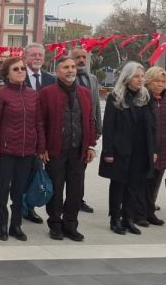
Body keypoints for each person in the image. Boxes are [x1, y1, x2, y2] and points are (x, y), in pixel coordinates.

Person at [36, 56, 97, 241]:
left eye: (72, 67)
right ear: (57, 71)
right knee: (56, 188)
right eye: (66, 67)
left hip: (78, 150)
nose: (70, 70)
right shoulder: (47, 93)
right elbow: (40, 122)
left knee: (75, 190)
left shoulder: (85, 93)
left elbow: (90, 120)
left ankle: (71, 224)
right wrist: (42, 147)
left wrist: (91, 145)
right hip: (55, 150)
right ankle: (55, 224)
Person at [100, 62, 156, 235]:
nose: (140, 79)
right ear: (127, 77)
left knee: (134, 186)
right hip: (120, 150)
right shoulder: (115, 97)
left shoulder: (146, 96)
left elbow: (153, 126)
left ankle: (128, 219)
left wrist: (154, 150)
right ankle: (115, 219)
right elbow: (108, 126)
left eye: (142, 76)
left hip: (141, 150)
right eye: (136, 76)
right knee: (118, 185)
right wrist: (108, 151)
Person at [0, 56, 41, 241]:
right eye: (16, 69)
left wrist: (40, 147)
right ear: (7, 74)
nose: (20, 72)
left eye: (22, 69)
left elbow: (38, 123)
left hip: (27, 151)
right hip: (5, 151)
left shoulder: (33, 95)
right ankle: (2, 224)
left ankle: (16, 225)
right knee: (2, 189)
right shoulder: (0, 94)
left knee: (19, 190)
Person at [20, 42, 55, 224]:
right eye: (33, 55)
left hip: (44, 135)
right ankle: (19, 206)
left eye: (40, 55)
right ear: (25, 57)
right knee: (21, 174)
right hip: (22, 134)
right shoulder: (18, 75)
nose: (37, 58)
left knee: (35, 173)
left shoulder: (51, 79)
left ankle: (29, 206)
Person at [143, 66, 166, 226]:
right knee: (144, 181)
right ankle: (140, 211)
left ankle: (149, 210)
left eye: (163, 81)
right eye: (157, 81)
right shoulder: (143, 98)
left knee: (156, 180)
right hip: (147, 147)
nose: (160, 84)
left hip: (164, 146)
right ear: (149, 81)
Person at [71, 45, 101, 214]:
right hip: (71, 130)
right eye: (78, 57)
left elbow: (96, 105)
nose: (81, 60)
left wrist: (98, 129)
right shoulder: (65, 77)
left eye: (84, 57)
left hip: (88, 130)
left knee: (81, 169)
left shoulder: (93, 79)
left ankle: (78, 200)